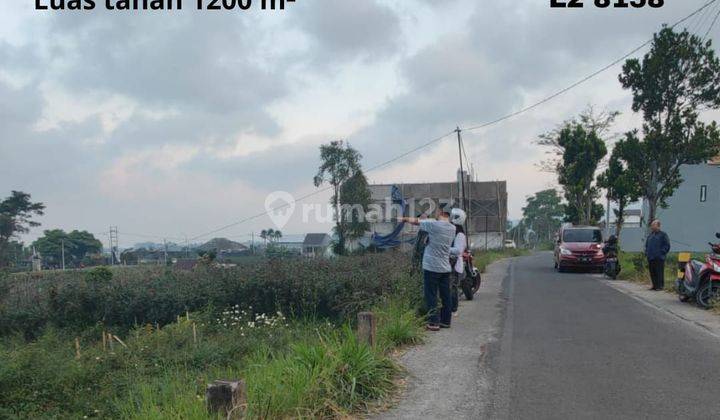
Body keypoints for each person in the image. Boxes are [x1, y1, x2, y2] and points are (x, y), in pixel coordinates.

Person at [400, 208, 456, 331]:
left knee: (431, 295)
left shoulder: (433, 225)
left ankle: (434, 322)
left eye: (437, 212)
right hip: (445, 268)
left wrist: (403, 218)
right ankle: (446, 321)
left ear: (441, 213)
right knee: (445, 295)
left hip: (431, 267)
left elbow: (416, 221)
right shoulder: (452, 228)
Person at [449, 208, 468, 313]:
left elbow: (458, 250)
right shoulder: (453, 231)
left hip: (455, 265)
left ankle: (453, 308)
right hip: (450, 263)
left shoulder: (460, 234)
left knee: (453, 287)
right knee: (450, 286)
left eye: (452, 216)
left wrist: (444, 249)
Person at [645, 220, 671, 291]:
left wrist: (661, 252)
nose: (652, 226)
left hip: (659, 257)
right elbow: (647, 245)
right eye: (652, 225)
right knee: (652, 272)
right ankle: (654, 285)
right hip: (651, 257)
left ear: (658, 226)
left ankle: (660, 286)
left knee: (659, 272)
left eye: (653, 225)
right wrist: (647, 253)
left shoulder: (663, 235)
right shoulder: (650, 235)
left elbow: (667, 245)